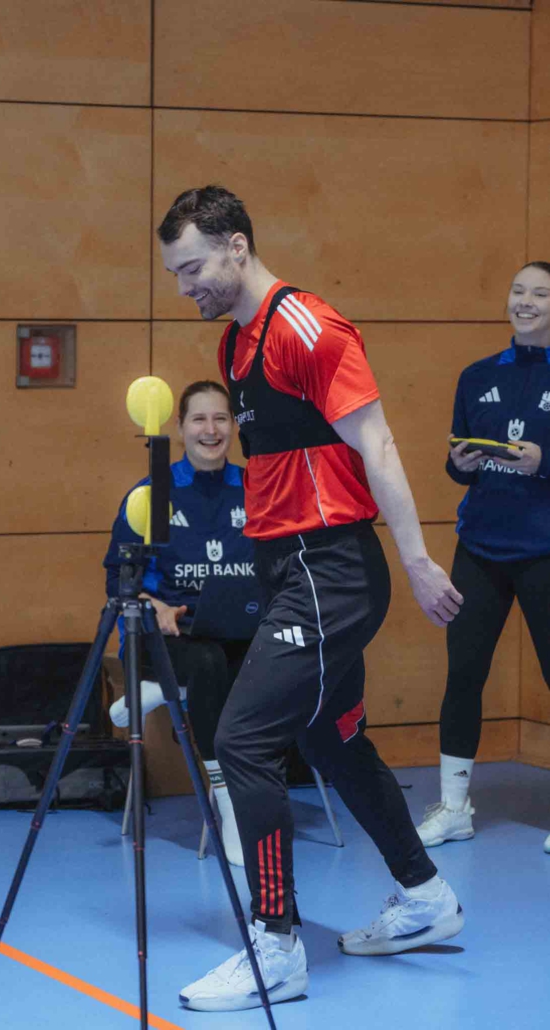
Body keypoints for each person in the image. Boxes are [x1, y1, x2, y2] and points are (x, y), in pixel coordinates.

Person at [157, 185, 465, 1013]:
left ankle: (277, 944)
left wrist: (417, 560)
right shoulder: (235, 346)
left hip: (331, 570)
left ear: (237, 245)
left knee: (244, 739)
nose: (185, 287)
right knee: (331, 738)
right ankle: (425, 894)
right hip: (288, 570)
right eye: (176, 273)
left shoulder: (310, 327)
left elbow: (378, 442)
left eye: (193, 268)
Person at [416, 261, 550, 855]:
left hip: (544, 551)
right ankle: (454, 809)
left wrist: (543, 462)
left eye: (540, 293)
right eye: (519, 291)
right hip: (479, 549)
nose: (526, 301)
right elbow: (459, 463)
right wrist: (460, 464)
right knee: (463, 675)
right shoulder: (476, 376)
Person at [104, 379, 257, 866]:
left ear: (233, 426)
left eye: (220, 419)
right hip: (165, 636)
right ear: (180, 427)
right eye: (199, 419)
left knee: (278, 659)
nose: (211, 430)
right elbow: (119, 581)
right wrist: (154, 606)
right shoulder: (153, 493)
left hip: (238, 632)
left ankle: (169, 691)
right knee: (209, 664)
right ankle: (229, 804)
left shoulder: (256, 488)